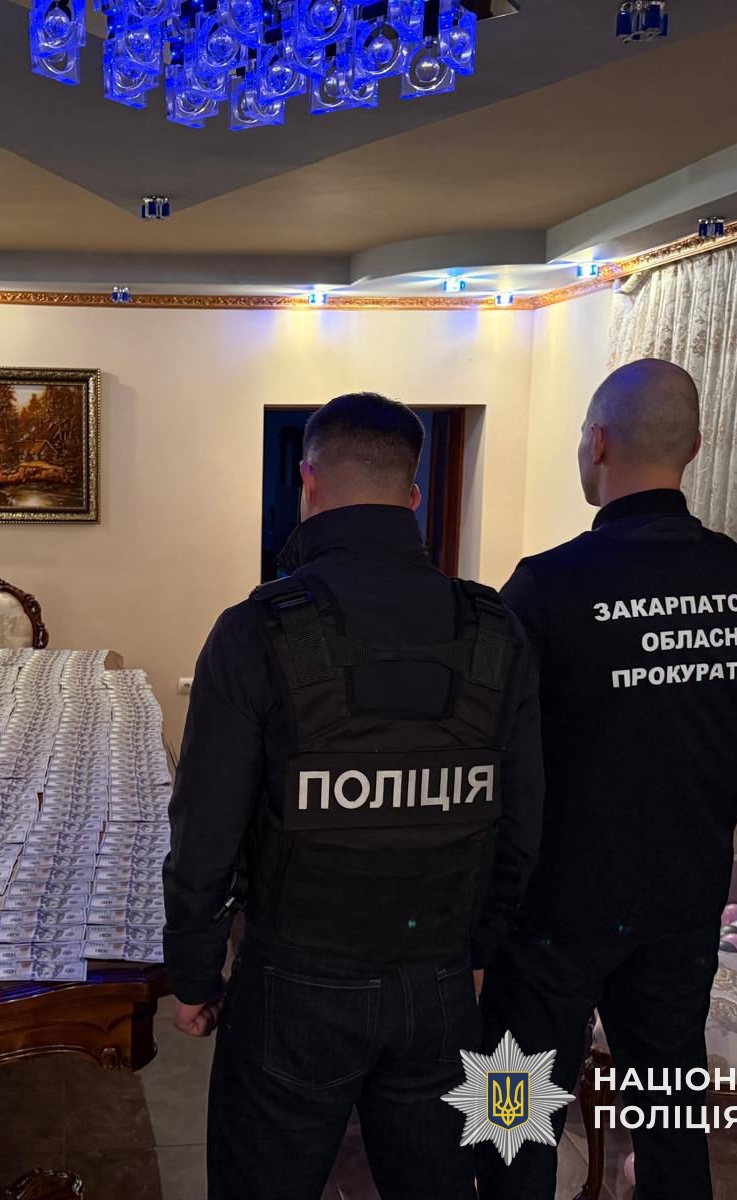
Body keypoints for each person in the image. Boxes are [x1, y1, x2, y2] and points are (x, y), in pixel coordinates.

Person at [163, 392, 544, 1200]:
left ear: (307, 482)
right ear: (414, 495)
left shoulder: (255, 629)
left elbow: (205, 830)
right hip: (441, 981)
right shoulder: (495, 629)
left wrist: (193, 973)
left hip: (293, 984)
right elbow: (520, 823)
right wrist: (480, 954)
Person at [476, 359, 737, 1200]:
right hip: (684, 901)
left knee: (512, 1125)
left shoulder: (547, 586)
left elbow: (497, 754)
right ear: (694, 446)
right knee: (672, 1117)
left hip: (551, 914)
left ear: (599, 442)